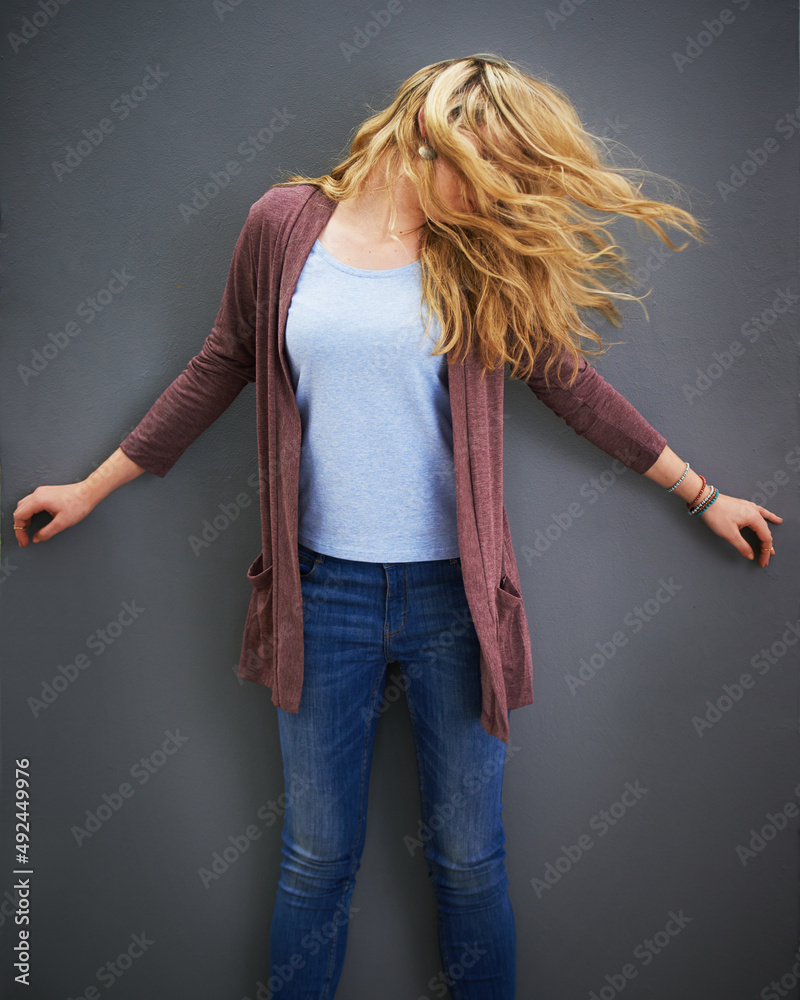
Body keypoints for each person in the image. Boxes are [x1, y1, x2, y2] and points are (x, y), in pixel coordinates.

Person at [13, 54, 781, 998]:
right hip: (319, 594)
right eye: (487, 169)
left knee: (468, 862)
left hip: (456, 601)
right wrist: (93, 487)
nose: (500, 196)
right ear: (428, 135)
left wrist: (703, 495)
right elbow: (223, 362)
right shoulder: (282, 224)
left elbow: (570, 384)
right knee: (313, 859)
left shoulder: (478, 252)